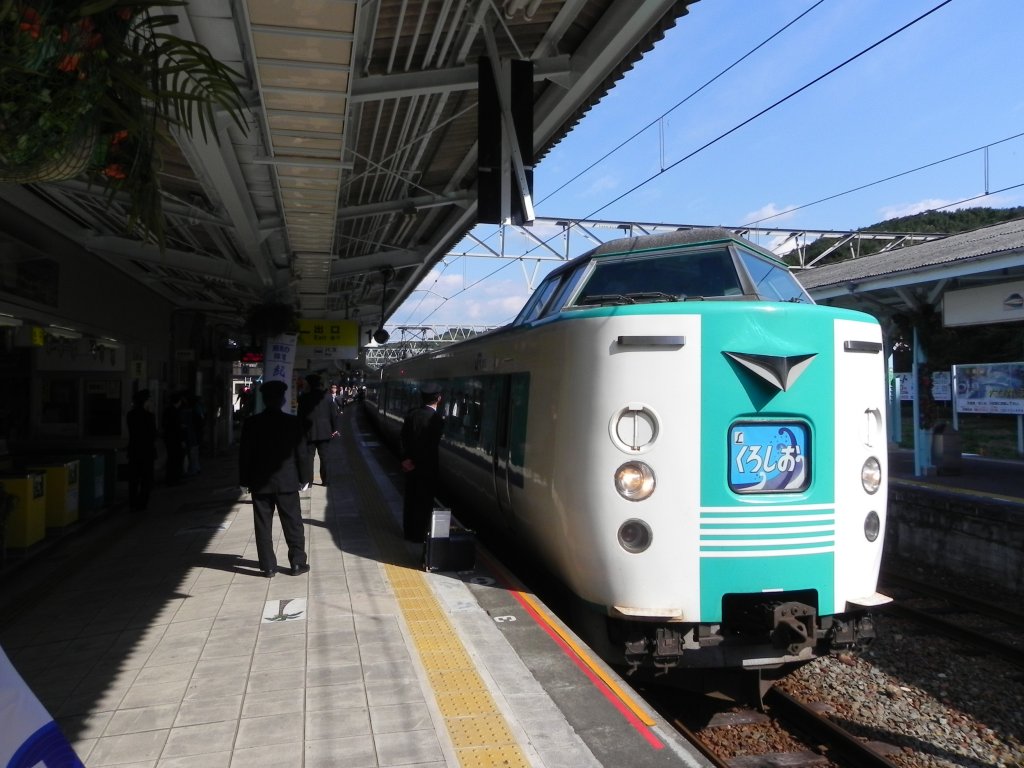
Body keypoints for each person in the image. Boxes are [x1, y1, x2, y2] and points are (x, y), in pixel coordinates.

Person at [238, 380, 310, 578]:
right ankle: (297, 563)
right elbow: (302, 454)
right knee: (293, 522)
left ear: (263, 399)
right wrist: (305, 478)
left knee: (263, 524)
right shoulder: (293, 422)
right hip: (287, 482)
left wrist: (244, 481)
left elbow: (245, 455)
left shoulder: (251, 423)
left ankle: (268, 567)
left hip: (260, 483)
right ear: (283, 399)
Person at [400, 385, 444, 542]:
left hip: (410, 466)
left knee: (410, 499)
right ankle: (419, 534)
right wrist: (418, 462)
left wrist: (407, 460)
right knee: (424, 502)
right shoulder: (436, 419)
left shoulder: (412, 415)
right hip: (427, 467)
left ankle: (408, 532)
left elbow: (404, 438)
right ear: (438, 398)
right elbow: (430, 446)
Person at [297, 373, 338, 487]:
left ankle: (308, 482)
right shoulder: (328, 397)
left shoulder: (303, 398)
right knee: (324, 457)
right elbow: (333, 415)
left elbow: (300, 416)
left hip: (308, 432)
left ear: (309, 384)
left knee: (309, 457)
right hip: (325, 432)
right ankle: (326, 481)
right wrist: (334, 429)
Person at [126, 389, 157, 512]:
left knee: (133, 479)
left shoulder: (130, 415)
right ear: (145, 401)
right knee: (146, 479)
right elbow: (153, 434)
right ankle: (142, 503)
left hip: (133, 451)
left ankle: (133, 503)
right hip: (147, 452)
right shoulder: (149, 416)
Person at [161, 391, 186, 485]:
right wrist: (182, 440)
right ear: (178, 401)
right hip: (175, 439)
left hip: (168, 438)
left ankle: (170, 478)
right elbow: (176, 427)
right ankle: (174, 479)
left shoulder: (167, 410)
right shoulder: (175, 412)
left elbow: (165, 424)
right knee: (176, 459)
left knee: (171, 458)